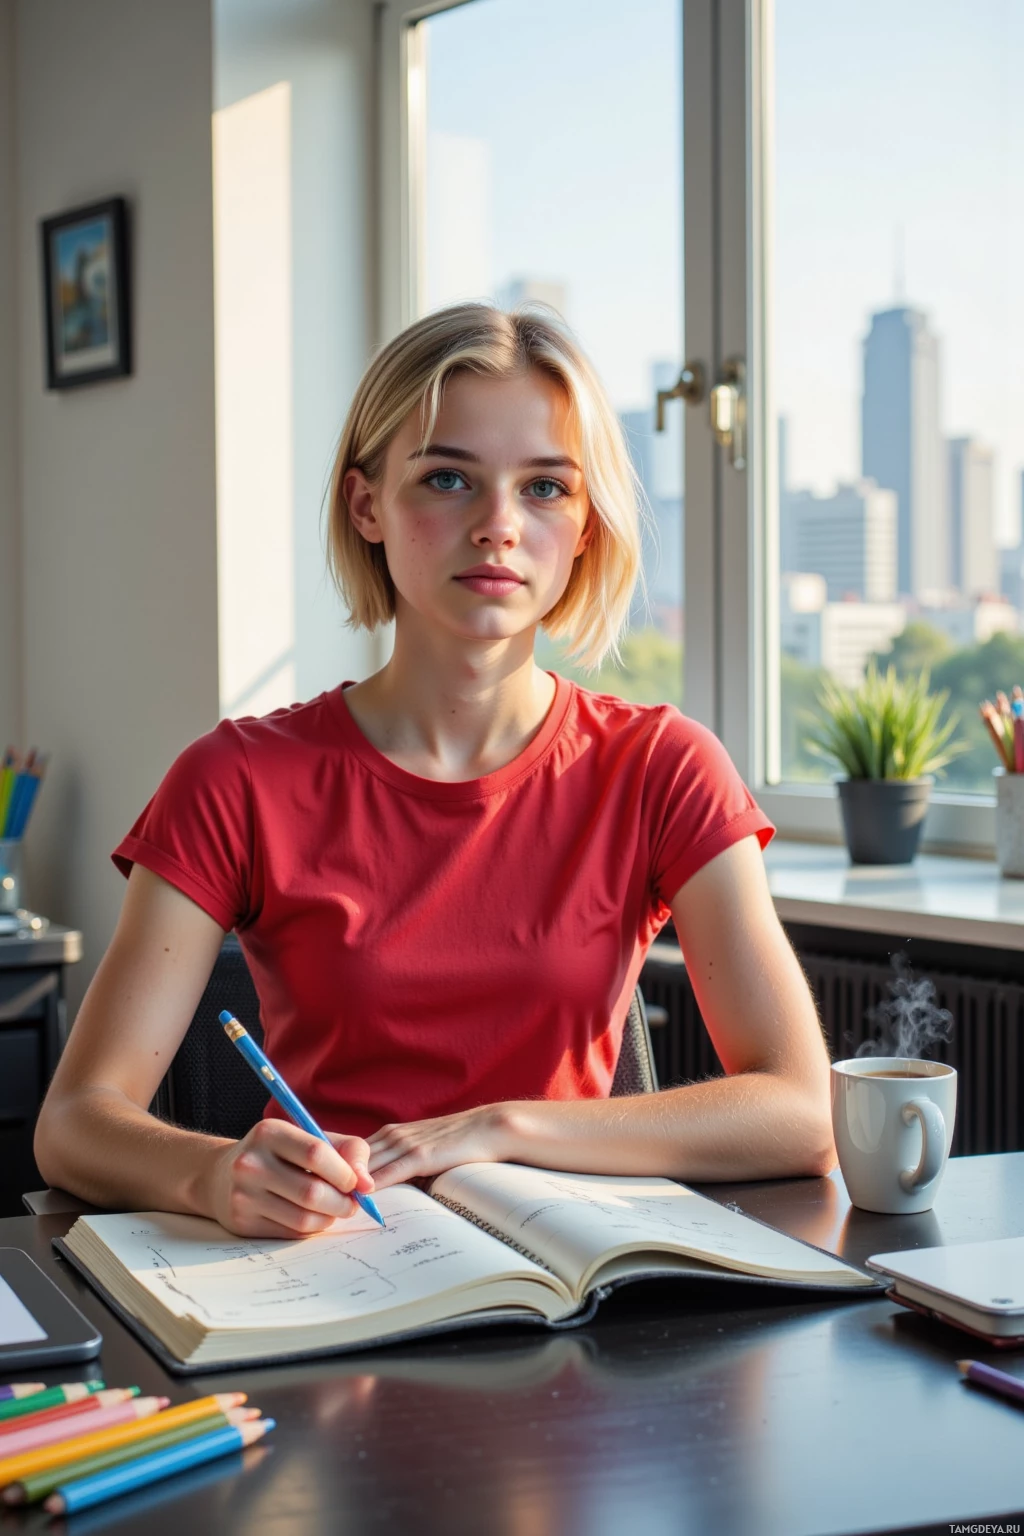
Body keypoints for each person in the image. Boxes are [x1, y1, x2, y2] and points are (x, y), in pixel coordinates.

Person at [35, 303, 835, 1238]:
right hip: (331, 1274)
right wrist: (213, 1175)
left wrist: (499, 1129)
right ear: (366, 504)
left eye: (545, 489)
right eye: (449, 478)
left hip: (572, 1288)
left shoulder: (664, 766)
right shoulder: (233, 779)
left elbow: (800, 1112)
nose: (499, 526)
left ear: (585, 528)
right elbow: (74, 1123)